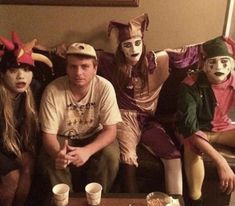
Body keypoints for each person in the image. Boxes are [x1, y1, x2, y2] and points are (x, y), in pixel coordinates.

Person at [97, 13, 183, 195]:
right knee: (128, 160)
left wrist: (224, 47)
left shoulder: (157, 61)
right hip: (124, 118)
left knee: (173, 156)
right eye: (127, 45)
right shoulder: (110, 63)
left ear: (143, 43)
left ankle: (176, 201)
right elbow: (82, 57)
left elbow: (193, 51)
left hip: (148, 121)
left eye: (137, 43)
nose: (133, 49)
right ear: (121, 48)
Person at [39, 42, 122, 193]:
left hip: (94, 134)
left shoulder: (104, 87)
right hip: (62, 137)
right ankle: (66, 201)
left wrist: (88, 151)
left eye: (85, 66)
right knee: (50, 159)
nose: (78, 72)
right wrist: (58, 154)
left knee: (111, 155)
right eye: (73, 66)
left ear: (95, 69)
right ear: (66, 68)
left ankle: (96, 198)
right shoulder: (52, 90)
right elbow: (48, 135)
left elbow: (111, 131)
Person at [176, 36, 235, 206]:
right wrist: (221, 161)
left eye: (224, 62)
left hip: (222, 129)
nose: (219, 67)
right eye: (213, 62)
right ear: (203, 65)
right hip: (195, 132)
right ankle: (196, 200)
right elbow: (189, 128)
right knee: (191, 146)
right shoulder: (189, 85)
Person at [0, 32, 52, 206]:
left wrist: (50, 50)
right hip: (3, 149)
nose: (21, 76)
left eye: (26, 70)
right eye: (13, 71)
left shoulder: (34, 90)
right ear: (2, 74)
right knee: (12, 176)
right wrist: (13, 155)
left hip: (13, 147)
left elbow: (56, 71)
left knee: (29, 163)